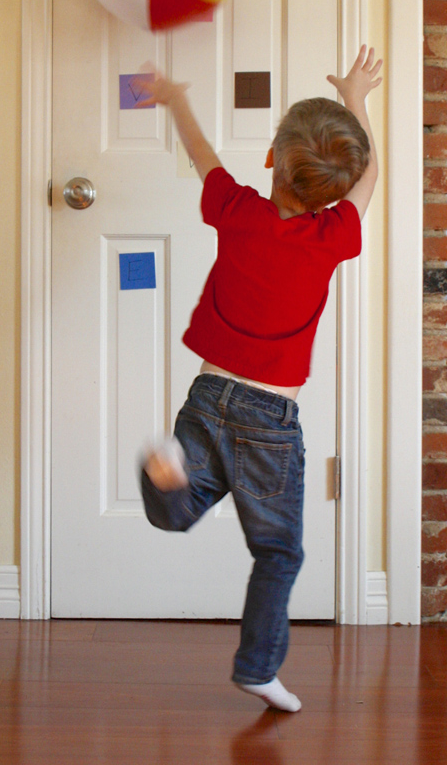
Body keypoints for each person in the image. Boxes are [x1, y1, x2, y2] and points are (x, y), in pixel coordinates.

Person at [136, 46, 382, 713]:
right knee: (277, 551)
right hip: (271, 419)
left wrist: (176, 97)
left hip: (208, 396)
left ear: (271, 158)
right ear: (333, 192)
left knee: (183, 511)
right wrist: (357, 98)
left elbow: (202, 153)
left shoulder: (236, 211)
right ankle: (256, 667)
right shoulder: (333, 236)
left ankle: (168, 475)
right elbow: (370, 179)